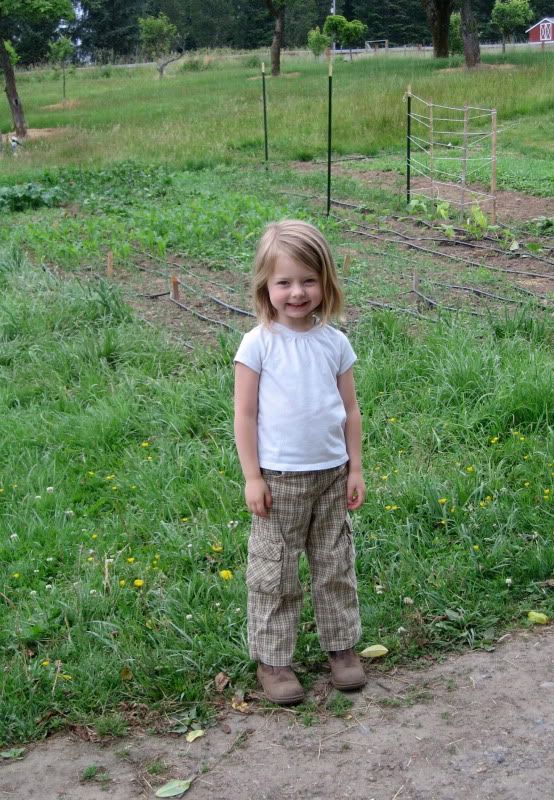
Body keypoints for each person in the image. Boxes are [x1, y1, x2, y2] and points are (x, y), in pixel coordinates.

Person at [233, 219, 366, 706]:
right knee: (276, 570)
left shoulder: (335, 342)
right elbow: (244, 414)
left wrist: (355, 468)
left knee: (334, 564)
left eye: (308, 280)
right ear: (265, 287)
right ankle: (274, 660)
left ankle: (342, 649)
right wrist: (252, 476)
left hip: (332, 475)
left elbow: (350, 410)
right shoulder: (258, 344)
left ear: (325, 282)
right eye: (284, 282)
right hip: (279, 479)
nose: (296, 292)